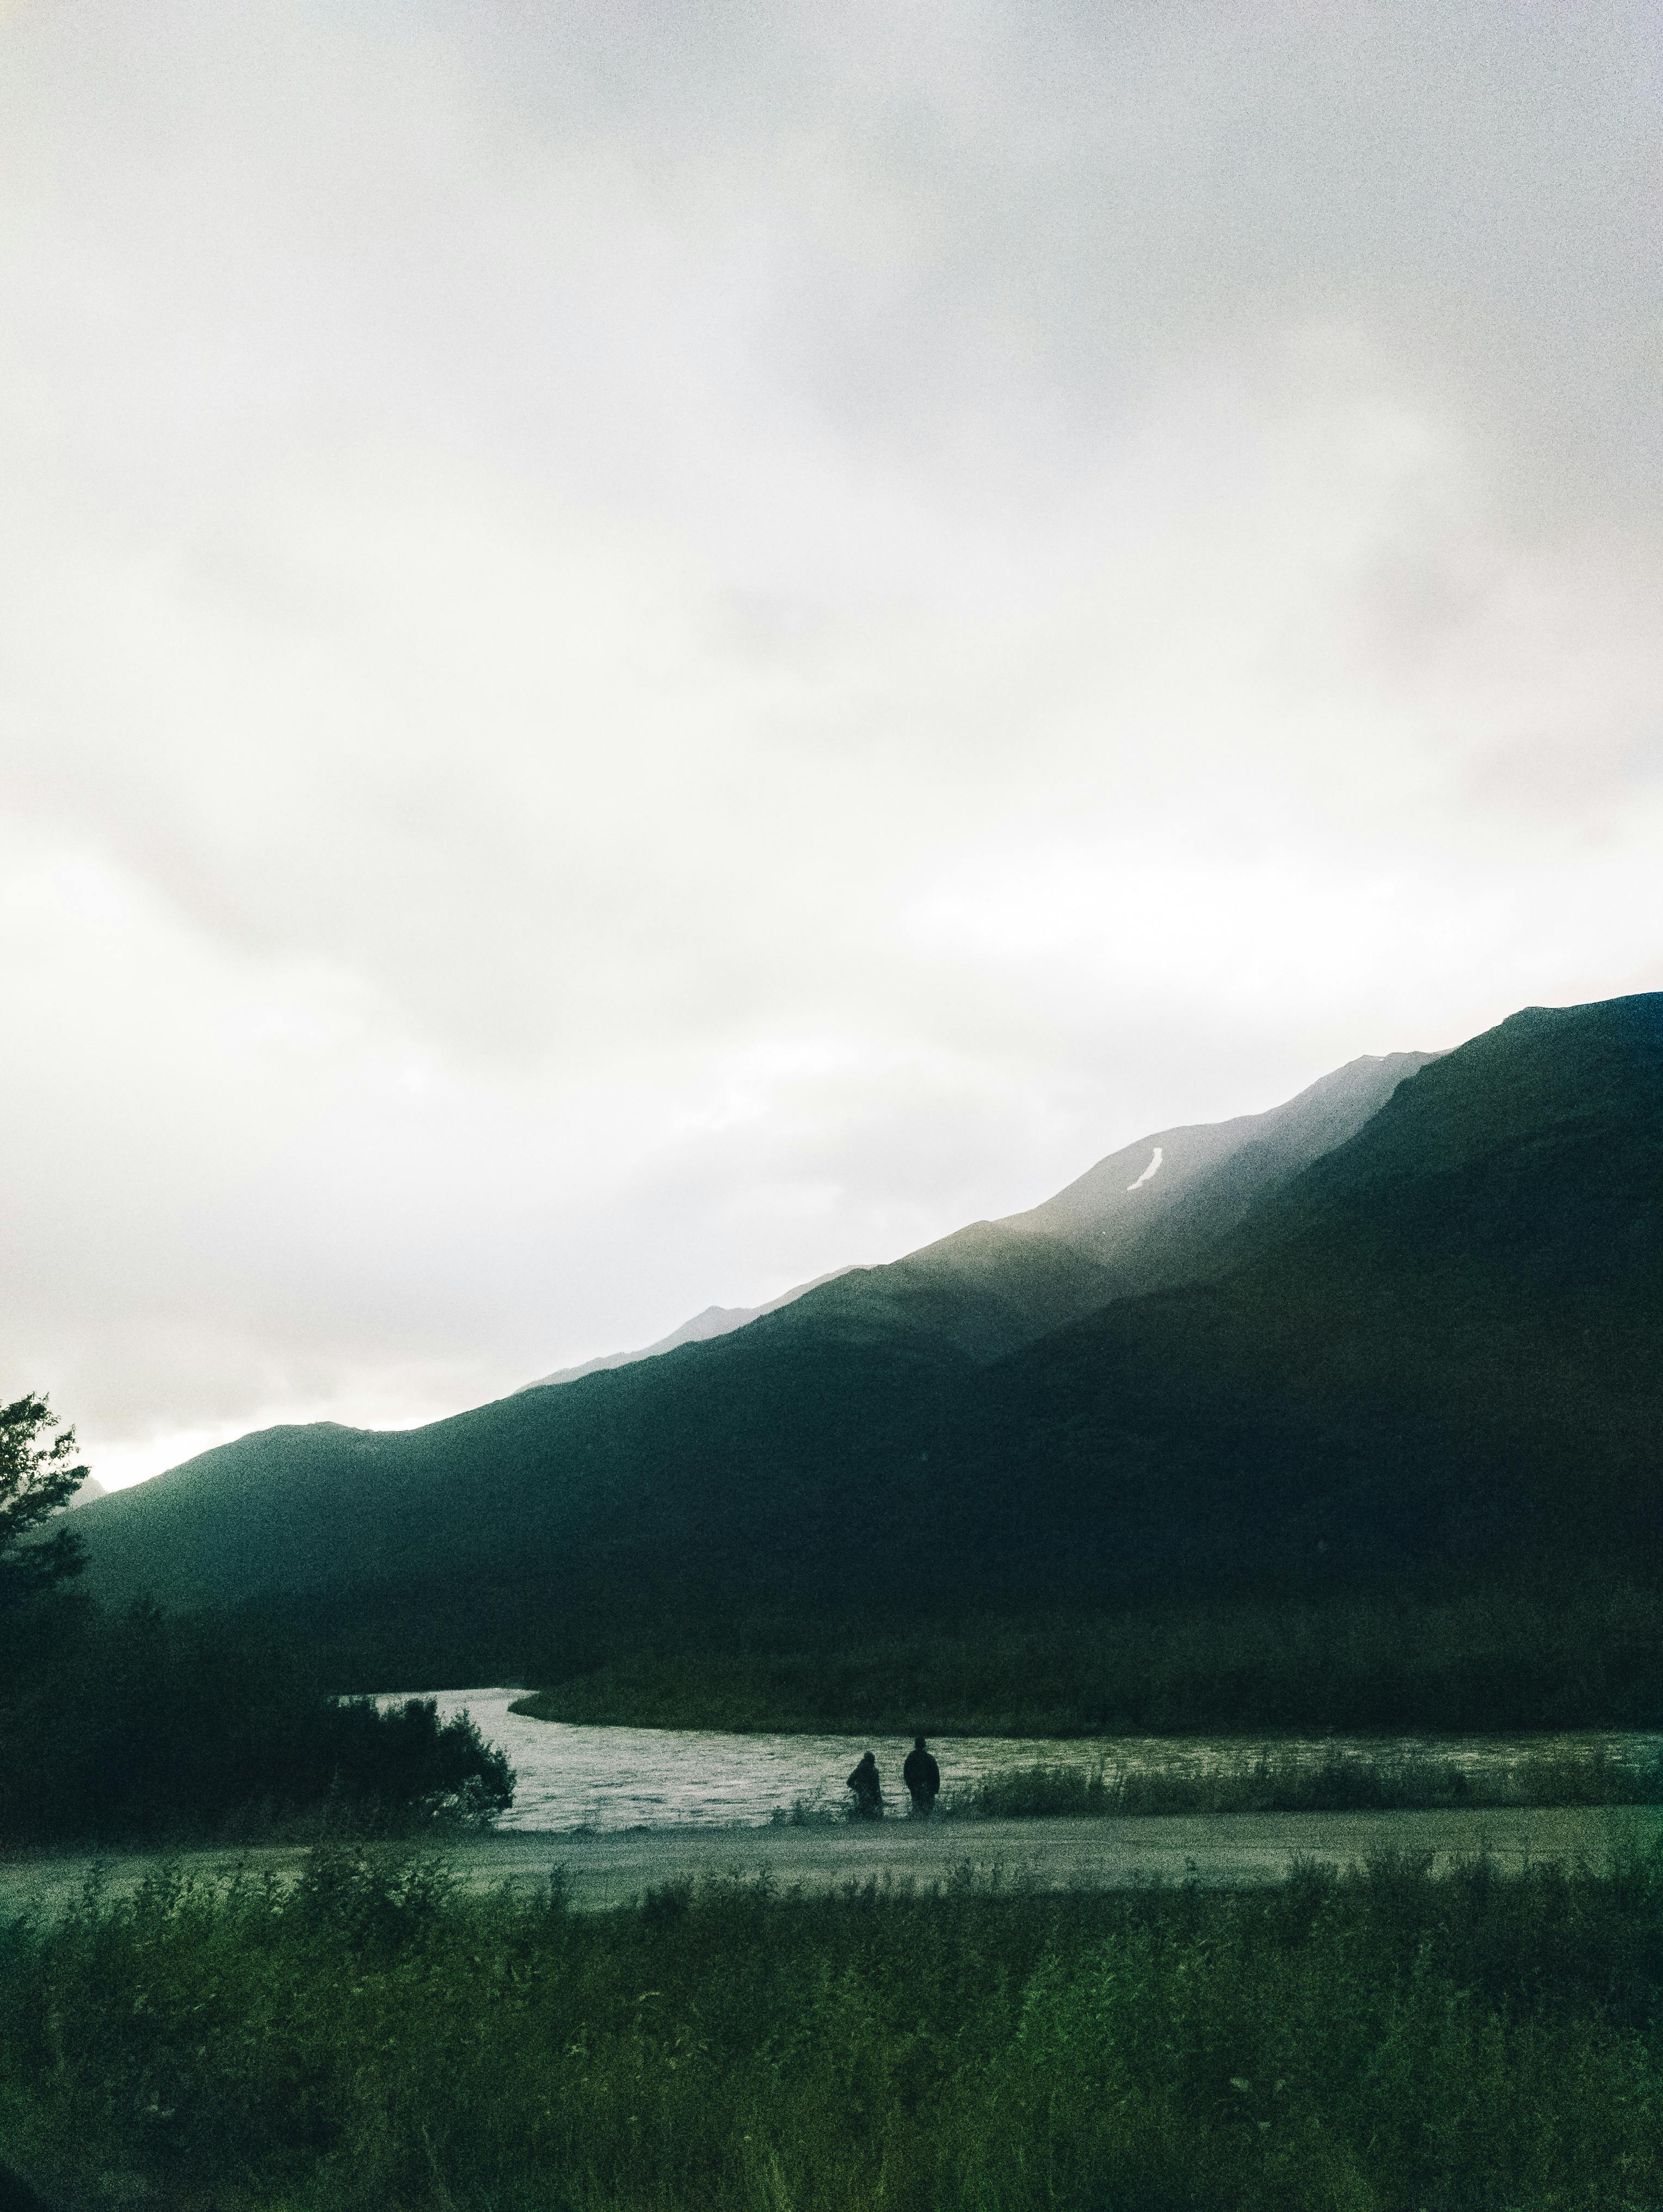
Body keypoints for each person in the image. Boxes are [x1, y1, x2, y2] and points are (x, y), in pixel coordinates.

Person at [902, 1734, 941, 1818]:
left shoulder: (911, 1757)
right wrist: (936, 1789)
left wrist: (911, 1786)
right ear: (924, 1745)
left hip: (915, 1787)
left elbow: (906, 1774)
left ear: (915, 1745)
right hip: (928, 1788)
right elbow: (936, 1775)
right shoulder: (929, 1758)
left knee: (917, 1809)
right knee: (928, 1811)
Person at [846, 1750, 884, 1820]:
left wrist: (858, 1789)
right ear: (872, 1761)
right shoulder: (873, 1771)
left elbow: (849, 1782)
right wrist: (879, 1800)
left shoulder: (859, 1769)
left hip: (862, 1796)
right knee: (871, 1816)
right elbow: (877, 1788)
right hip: (870, 1797)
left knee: (861, 1814)